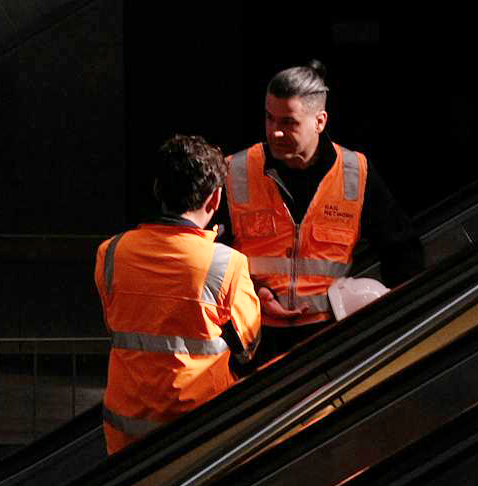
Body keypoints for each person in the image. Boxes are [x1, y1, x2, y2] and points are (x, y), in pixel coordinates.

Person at [222, 61, 424, 363]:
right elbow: (209, 261)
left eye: (288, 122)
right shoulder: (235, 171)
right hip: (252, 341)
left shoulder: (356, 173)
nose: (274, 132)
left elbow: (404, 256)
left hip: (330, 344)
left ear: (320, 121)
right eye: (269, 118)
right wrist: (258, 295)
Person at [96, 134, 262, 455]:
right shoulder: (227, 264)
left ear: (158, 189)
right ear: (214, 200)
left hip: (124, 434)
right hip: (198, 431)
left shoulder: (110, 253)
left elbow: (116, 323)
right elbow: (249, 348)